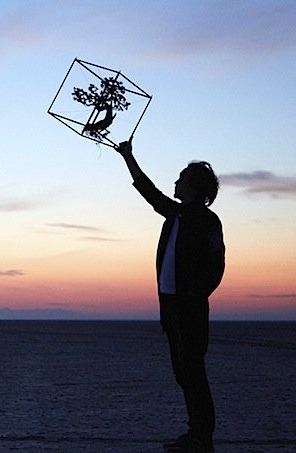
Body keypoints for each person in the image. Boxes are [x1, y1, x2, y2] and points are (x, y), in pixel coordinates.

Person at [115, 140, 224, 453]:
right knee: (183, 373)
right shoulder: (175, 214)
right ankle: (196, 433)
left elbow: (217, 263)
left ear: (192, 186)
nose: (175, 183)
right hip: (172, 308)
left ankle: (202, 437)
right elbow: (148, 192)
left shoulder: (207, 221)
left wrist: (196, 292)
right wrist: (128, 157)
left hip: (188, 307)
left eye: (180, 178)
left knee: (193, 373)